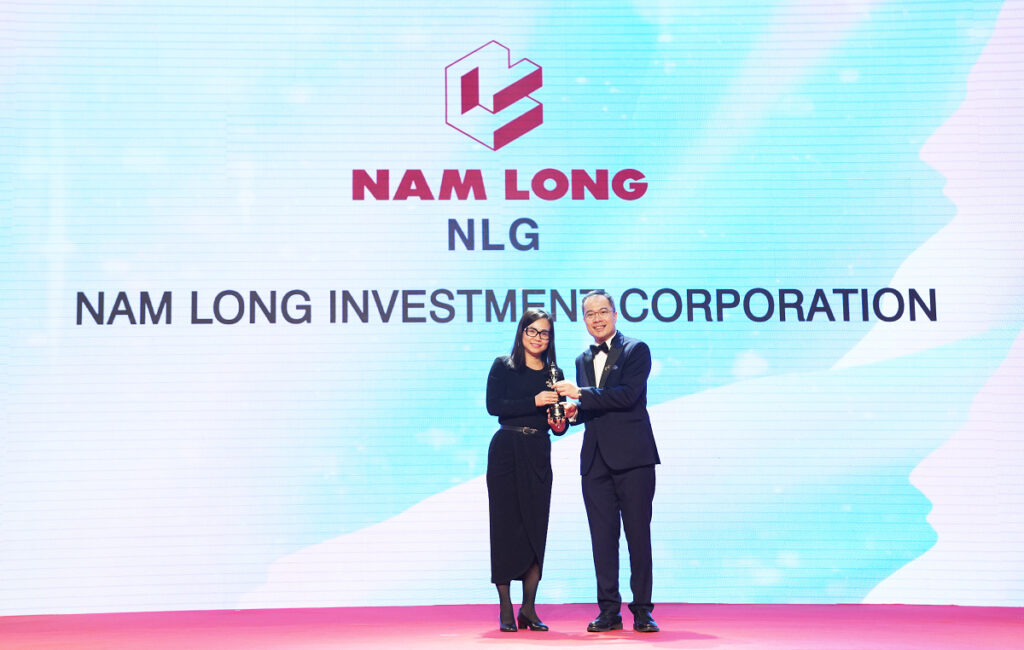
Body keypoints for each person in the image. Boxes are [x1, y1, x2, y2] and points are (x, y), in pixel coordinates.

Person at [554, 290, 661, 633]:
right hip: (595, 462)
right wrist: (574, 413)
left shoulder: (636, 350)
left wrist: (581, 395)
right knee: (602, 538)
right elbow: (595, 407)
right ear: (584, 320)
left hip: (633, 458)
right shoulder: (582, 360)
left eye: (603, 312)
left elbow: (627, 396)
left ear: (615, 315)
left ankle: (642, 610)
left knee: (638, 536)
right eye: (590, 314)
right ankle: (608, 610)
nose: (597, 318)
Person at [485, 308, 576, 632]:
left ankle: (529, 607)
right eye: (532, 331)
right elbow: (494, 406)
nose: (538, 338)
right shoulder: (503, 365)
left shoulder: (555, 372)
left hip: (538, 449)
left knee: (536, 525)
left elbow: (557, 425)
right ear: (522, 332)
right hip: (506, 449)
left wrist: (563, 420)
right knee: (504, 525)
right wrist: (534, 401)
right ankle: (505, 607)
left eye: (544, 333)